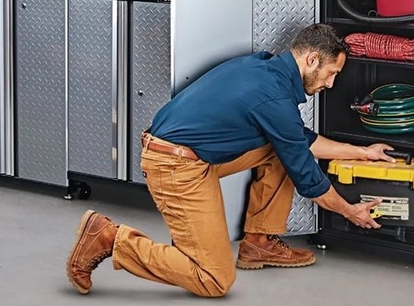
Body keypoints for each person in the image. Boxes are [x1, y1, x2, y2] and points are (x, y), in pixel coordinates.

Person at [66, 24, 396, 298]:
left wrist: (363, 152)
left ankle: (258, 242)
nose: (330, 83)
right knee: (213, 278)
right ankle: (111, 239)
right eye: (331, 73)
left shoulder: (262, 68)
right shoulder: (274, 97)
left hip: (186, 152)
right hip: (175, 165)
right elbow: (310, 181)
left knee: (280, 149)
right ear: (312, 59)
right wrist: (350, 211)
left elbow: (298, 140)